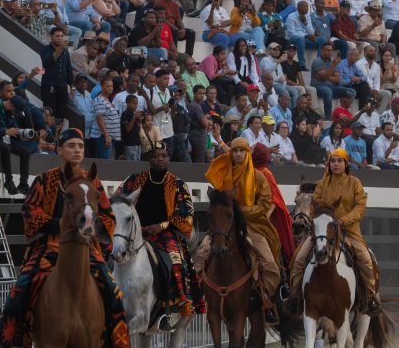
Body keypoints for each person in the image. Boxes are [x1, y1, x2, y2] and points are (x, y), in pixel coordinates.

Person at [0, 129, 140, 348]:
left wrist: (93, 225)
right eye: (71, 145)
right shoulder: (43, 180)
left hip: (86, 249)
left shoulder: (93, 183)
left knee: (113, 290)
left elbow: (107, 215)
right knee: (22, 285)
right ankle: (1, 345)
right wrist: (62, 224)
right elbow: (29, 213)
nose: (77, 150)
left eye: (81, 146)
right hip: (49, 246)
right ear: (60, 149)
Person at [116, 145, 205, 329]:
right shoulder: (133, 180)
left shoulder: (178, 184)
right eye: (156, 156)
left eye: (164, 155)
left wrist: (161, 226)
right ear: (150, 159)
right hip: (134, 232)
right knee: (109, 254)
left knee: (176, 262)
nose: (161, 159)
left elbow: (186, 215)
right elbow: (117, 201)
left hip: (165, 234)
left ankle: (170, 309)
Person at [199, 137, 282, 322]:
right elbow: (217, 202)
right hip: (224, 227)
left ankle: (266, 299)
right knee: (201, 252)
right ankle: (195, 296)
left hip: (252, 226)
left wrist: (241, 211)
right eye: (235, 150)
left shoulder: (259, 177)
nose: (237, 154)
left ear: (247, 153)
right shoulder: (222, 174)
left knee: (269, 263)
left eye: (241, 151)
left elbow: (264, 203)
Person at [289, 149, 381, 315]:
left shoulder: (355, 183)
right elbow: (314, 207)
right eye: (333, 161)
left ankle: (369, 297)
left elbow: (359, 208)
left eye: (339, 161)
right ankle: (295, 298)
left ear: (346, 164)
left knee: (366, 260)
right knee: (299, 259)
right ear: (329, 164)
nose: (336, 164)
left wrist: (341, 221)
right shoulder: (322, 184)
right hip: (322, 232)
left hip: (350, 232)